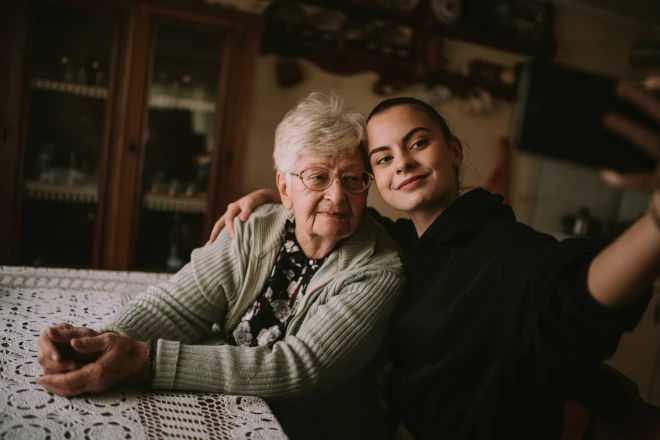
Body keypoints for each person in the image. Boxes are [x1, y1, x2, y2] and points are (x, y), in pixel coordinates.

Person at [209, 76, 660, 439]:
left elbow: (576, 294)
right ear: (374, 180)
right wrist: (284, 196)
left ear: (454, 150)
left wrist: (655, 221)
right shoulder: (402, 242)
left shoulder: (505, 249)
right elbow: (334, 211)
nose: (401, 163)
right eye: (383, 159)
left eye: (418, 143)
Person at [35, 93, 405, 440]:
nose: (337, 195)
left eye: (352, 178)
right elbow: (177, 307)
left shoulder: (378, 268)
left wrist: (144, 361)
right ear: (284, 188)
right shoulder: (254, 227)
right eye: (317, 177)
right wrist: (97, 344)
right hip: (230, 407)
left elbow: (297, 369)